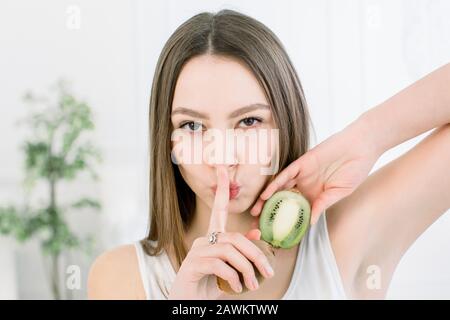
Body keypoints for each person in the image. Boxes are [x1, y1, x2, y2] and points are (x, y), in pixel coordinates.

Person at [87, 9, 450, 300]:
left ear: (285, 123)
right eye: (193, 127)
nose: (223, 159)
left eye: (248, 121)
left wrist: (369, 136)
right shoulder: (120, 277)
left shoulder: (347, 238)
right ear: (169, 142)